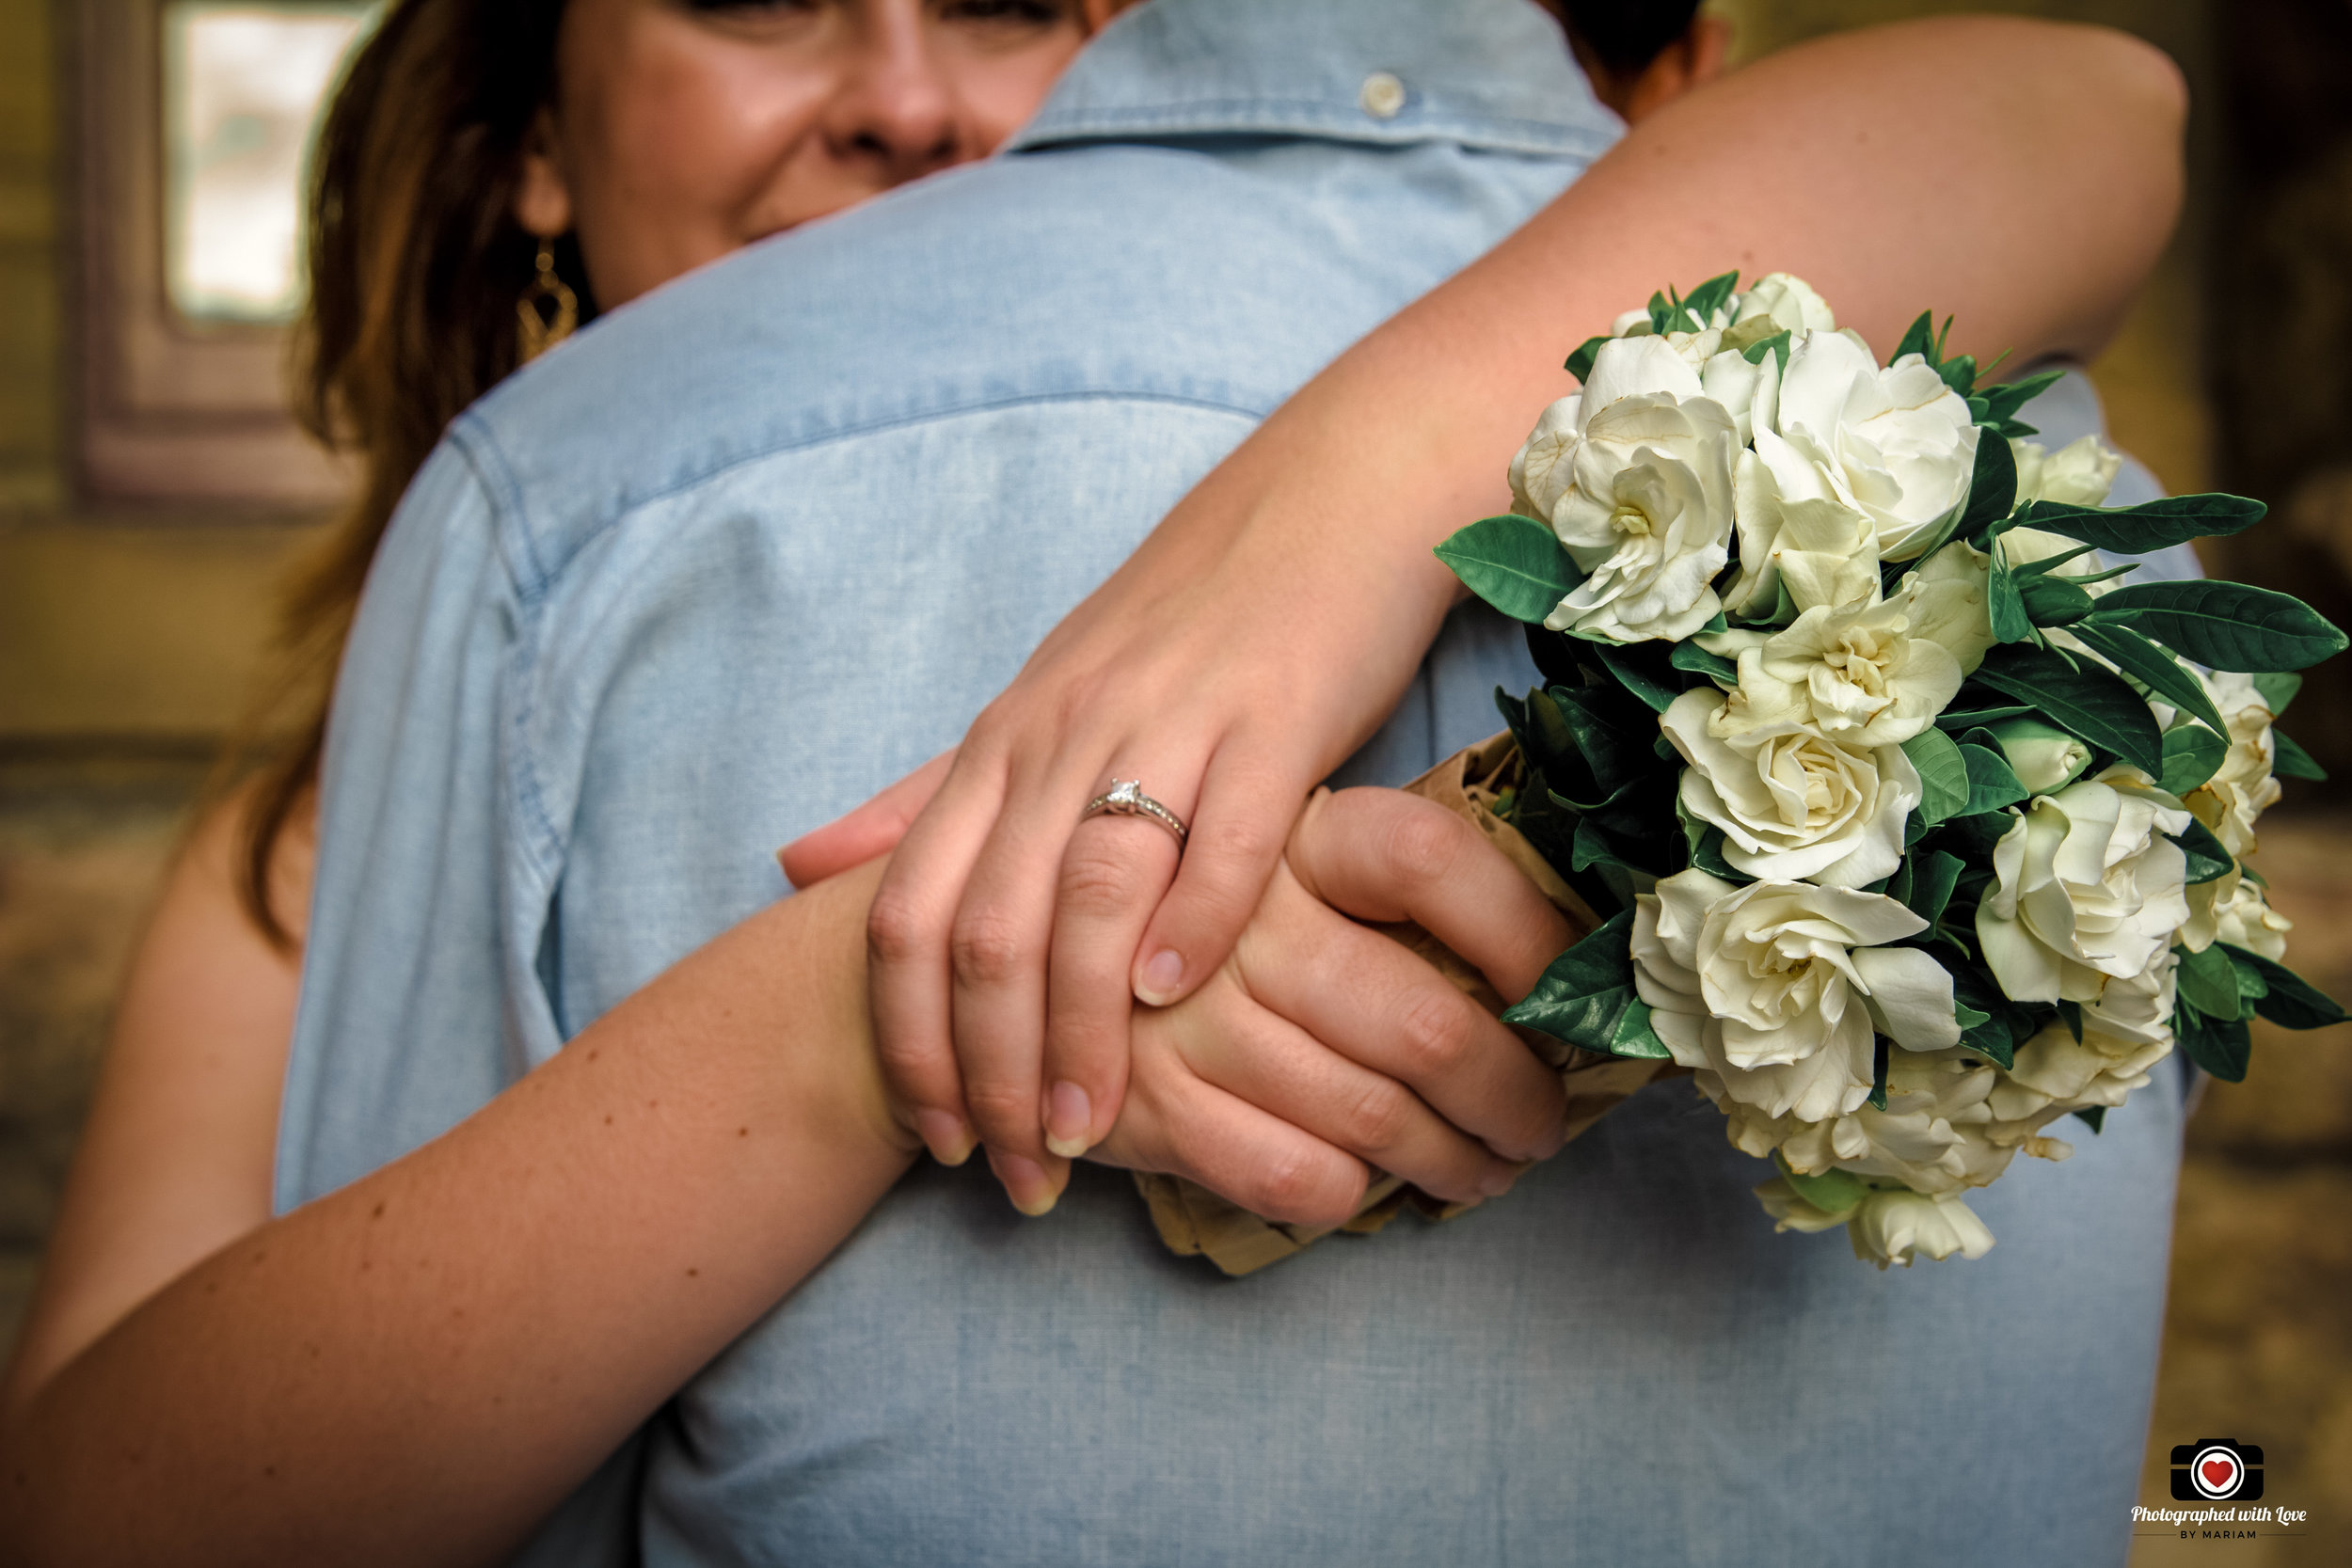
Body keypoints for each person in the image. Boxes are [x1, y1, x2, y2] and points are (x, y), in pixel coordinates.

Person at [0, 0, 2192, 1562]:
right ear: (533, 129)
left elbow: (2079, 103)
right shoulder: (423, 677)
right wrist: (931, 962)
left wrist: (1314, 525)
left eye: (1010, 5)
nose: (907, 106)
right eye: (756, 1)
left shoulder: (1362, 425)